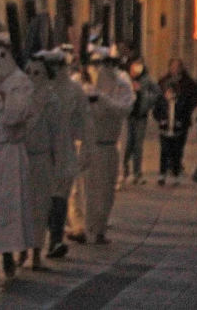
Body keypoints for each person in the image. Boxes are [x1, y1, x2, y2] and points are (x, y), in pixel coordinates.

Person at [0, 32, 34, 281]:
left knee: (9, 208)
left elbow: (17, 115)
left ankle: (9, 256)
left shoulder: (20, 82)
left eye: (2, 55)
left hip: (10, 152)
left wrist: (2, 97)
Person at [69, 47, 134, 244]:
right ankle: (79, 226)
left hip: (107, 145)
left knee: (105, 191)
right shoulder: (78, 82)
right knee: (79, 189)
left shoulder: (121, 84)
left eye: (105, 64)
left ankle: (98, 228)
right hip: (84, 143)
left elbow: (125, 108)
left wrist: (102, 100)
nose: (101, 69)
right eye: (97, 64)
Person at [42, 48, 83, 259]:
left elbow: (81, 121)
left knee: (58, 197)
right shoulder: (42, 88)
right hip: (45, 149)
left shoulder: (72, 89)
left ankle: (55, 239)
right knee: (51, 197)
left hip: (60, 148)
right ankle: (50, 240)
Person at [23, 53, 60, 270]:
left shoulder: (51, 100)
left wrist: (57, 159)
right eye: (28, 72)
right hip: (22, 158)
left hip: (42, 159)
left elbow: (57, 133)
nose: (32, 77)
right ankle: (20, 250)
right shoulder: (19, 97)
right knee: (22, 206)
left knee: (40, 207)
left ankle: (36, 252)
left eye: (37, 73)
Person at [122, 58, 161, 185]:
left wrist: (146, 98)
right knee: (127, 144)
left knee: (138, 145)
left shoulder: (147, 79)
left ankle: (137, 172)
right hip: (128, 115)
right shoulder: (126, 79)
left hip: (140, 115)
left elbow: (157, 93)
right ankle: (124, 169)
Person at [153, 83, 190, 186]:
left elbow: (185, 115)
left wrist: (180, 123)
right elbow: (156, 113)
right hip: (164, 132)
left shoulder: (180, 102)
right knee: (164, 153)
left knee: (176, 155)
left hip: (176, 133)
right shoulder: (161, 102)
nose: (168, 94)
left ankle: (176, 175)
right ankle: (162, 175)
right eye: (167, 92)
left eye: (170, 92)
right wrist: (161, 120)